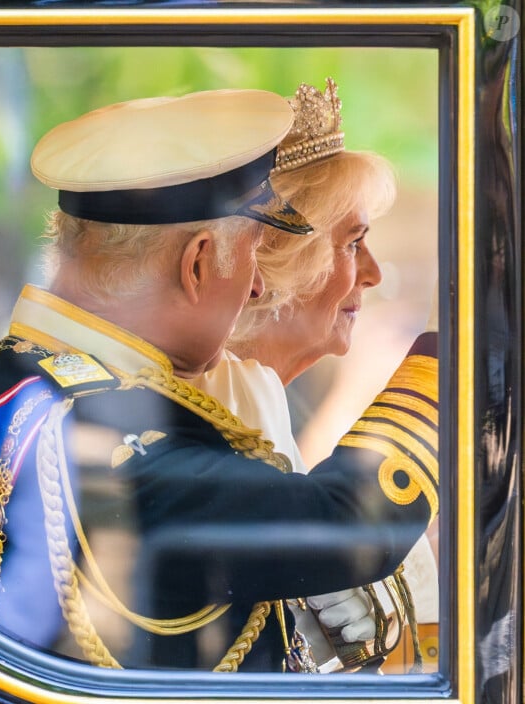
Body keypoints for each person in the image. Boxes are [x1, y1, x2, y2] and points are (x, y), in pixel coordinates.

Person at [0, 87, 436, 673]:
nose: (257, 288)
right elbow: (347, 523)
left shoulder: (31, 375)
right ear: (198, 262)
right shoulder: (113, 437)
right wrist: (450, 352)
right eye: (254, 253)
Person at [193, 78, 439, 672]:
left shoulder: (271, 408)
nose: (375, 274)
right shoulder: (198, 435)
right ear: (269, 271)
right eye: (353, 244)